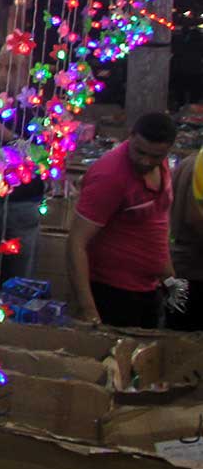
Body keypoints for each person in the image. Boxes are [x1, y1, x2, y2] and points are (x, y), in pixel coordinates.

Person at [70, 112, 176, 327]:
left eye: (155, 156)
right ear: (131, 136)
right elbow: (76, 243)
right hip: (113, 294)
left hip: (149, 290)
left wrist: (172, 283)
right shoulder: (110, 176)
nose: (145, 161)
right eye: (140, 152)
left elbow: (155, 227)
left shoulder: (161, 166)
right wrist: (89, 311)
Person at [171, 146, 203, 333]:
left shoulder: (188, 162)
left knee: (173, 327)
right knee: (187, 337)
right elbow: (196, 218)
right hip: (194, 271)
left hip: (178, 268)